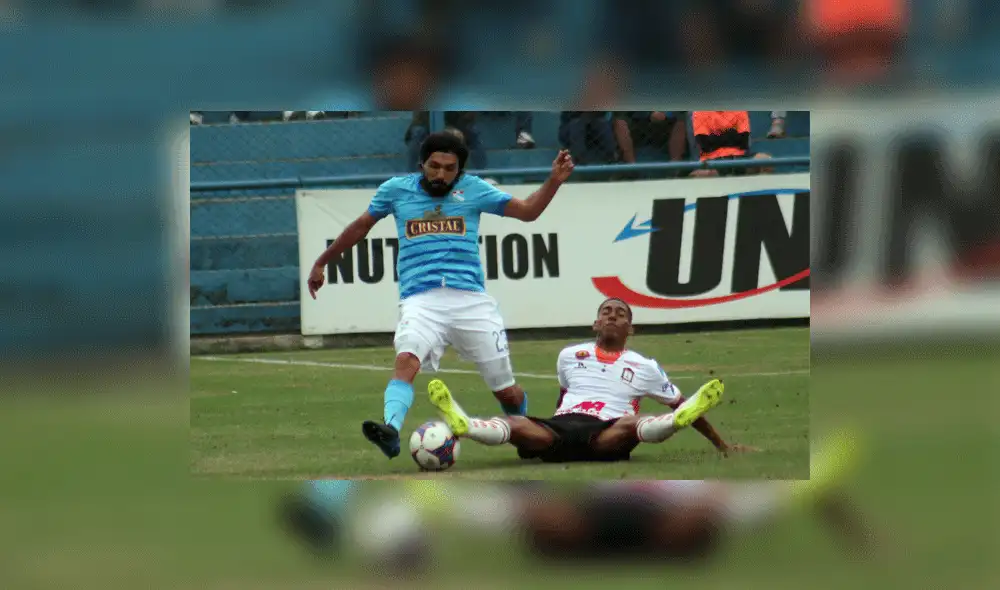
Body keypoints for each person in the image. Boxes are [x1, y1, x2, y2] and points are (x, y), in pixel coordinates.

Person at [306, 132, 575, 459]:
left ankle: (525, 434)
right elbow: (361, 226)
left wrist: (554, 181)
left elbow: (528, 211)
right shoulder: (395, 190)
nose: (441, 174)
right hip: (421, 300)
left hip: (471, 302)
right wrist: (322, 261)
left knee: (506, 390)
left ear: (460, 171)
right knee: (406, 359)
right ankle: (391, 429)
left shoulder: (475, 190)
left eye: (450, 168)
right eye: (434, 166)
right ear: (422, 164)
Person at [426, 297, 754, 463]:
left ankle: (677, 421)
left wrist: (720, 444)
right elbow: (564, 396)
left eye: (621, 313)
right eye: (606, 311)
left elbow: (678, 398)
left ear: (631, 329)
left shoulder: (644, 366)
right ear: (596, 323)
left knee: (631, 424)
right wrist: (552, 423)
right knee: (516, 424)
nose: (612, 315)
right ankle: (464, 424)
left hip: (606, 434)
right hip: (560, 430)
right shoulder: (569, 355)